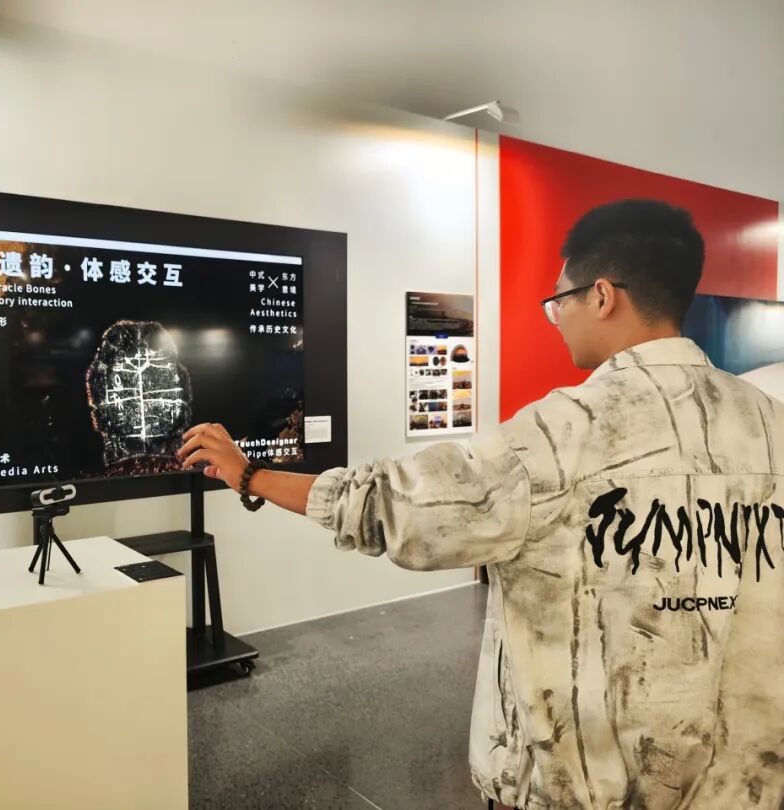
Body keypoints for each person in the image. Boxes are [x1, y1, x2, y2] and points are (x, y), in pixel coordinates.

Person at [179, 199, 784, 810]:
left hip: (587, 789)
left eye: (560, 300)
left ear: (602, 296)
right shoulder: (771, 422)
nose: (556, 318)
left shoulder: (563, 432)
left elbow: (391, 506)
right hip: (747, 788)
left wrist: (251, 474)